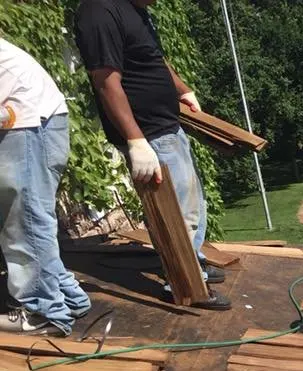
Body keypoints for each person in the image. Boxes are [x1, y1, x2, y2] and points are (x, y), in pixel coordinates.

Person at [74, 0, 230, 310]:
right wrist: (135, 139)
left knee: (191, 203)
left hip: (166, 125)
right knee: (173, 211)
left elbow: (153, 57)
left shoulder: (134, 9)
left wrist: (182, 90)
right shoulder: (99, 12)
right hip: (149, 134)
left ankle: (193, 261)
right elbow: (106, 81)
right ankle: (185, 285)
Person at [0, 38, 91, 336]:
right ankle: (67, 297)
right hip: (42, 114)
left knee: (23, 219)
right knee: (34, 216)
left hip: (23, 117)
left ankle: (43, 311)